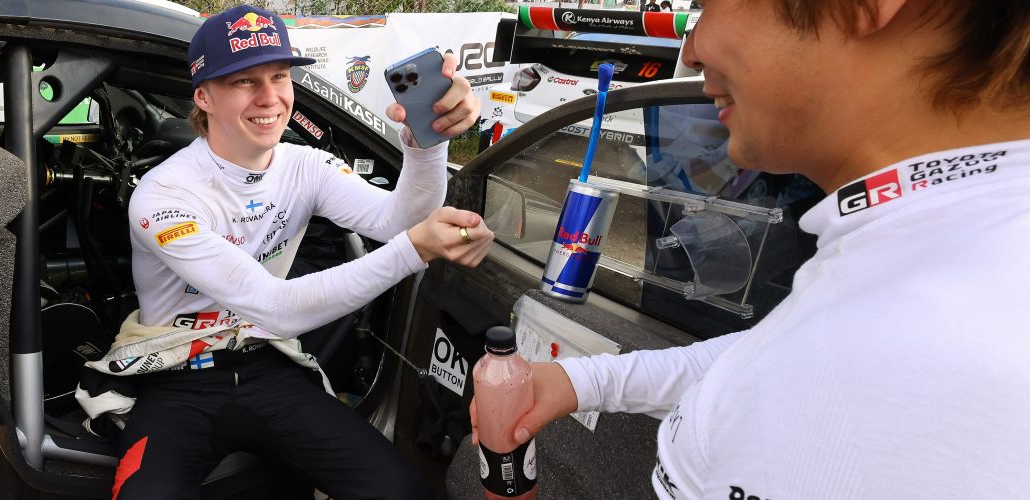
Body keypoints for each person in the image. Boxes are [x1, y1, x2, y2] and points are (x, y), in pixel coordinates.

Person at [475, 0, 1030, 498]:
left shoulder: (932, 351)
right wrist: (583, 381)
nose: (690, 51)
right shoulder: (945, 258)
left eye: (708, 5)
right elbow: (775, 356)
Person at [102, 4, 489, 499]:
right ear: (202, 96)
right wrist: (413, 250)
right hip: (175, 376)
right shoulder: (163, 193)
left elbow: (398, 220)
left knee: (402, 491)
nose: (270, 97)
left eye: (279, 76)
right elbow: (276, 307)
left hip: (268, 365)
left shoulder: (305, 165)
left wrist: (427, 141)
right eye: (244, 81)